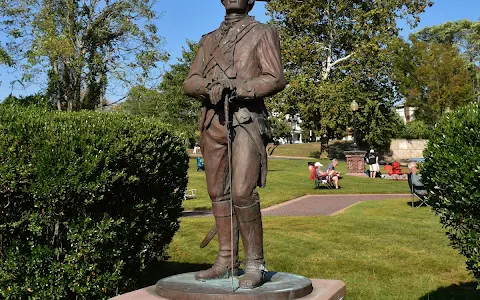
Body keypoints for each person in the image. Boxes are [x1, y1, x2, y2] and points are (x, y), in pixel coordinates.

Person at [183, 0, 286, 289]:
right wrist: (208, 88)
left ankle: (255, 263)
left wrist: (239, 88)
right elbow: (190, 82)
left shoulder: (262, 33)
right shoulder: (208, 40)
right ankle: (226, 259)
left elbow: (275, 78)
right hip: (212, 122)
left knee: (241, 192)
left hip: (246, 120)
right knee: (218, 192)